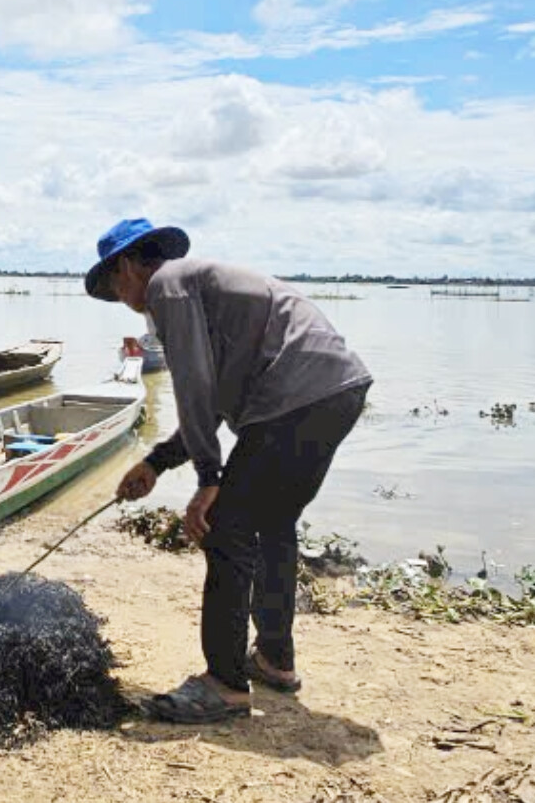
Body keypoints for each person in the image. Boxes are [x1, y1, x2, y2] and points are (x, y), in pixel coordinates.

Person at [88, 218, 373, 722]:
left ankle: (223, 684)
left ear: (128, 266)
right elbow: (214, 401)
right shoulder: (198, 287)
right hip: (336, 389)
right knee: (274, 525)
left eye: (114, 285)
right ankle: (274, 660)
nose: (123, 299)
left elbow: (194, 388)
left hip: (294, 397)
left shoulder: (167, 286)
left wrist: (208, 481)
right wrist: (156, 463)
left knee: (224, 531)